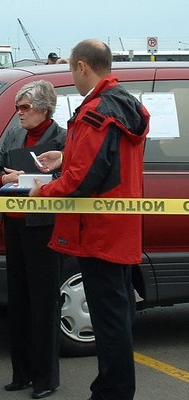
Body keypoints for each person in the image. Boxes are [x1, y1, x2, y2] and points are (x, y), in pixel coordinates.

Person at [29, 39, 150, 400]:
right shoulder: (123, 104)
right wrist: (64, 157)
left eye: (71, 68)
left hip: (98, 234)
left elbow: (83, 180)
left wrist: (41, 194)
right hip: (114, 231)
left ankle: (113, 392)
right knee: (113, 318)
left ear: (83, 66)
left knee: (110, 322)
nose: (72, 75)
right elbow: (100, 164)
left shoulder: (98, 110)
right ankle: (111, 388)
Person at [0, 80, 66, 399]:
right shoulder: (14, 134)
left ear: (43, 109)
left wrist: (38, 180)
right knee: (17, 300)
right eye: (17, 107)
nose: (18, 113)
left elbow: (69, 176)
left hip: (44, 227)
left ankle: (45, 378)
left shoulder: (61, 137)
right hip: (15, 226)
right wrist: (4, 178)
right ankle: (21, 373)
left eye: (24, 107)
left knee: (44, 302)